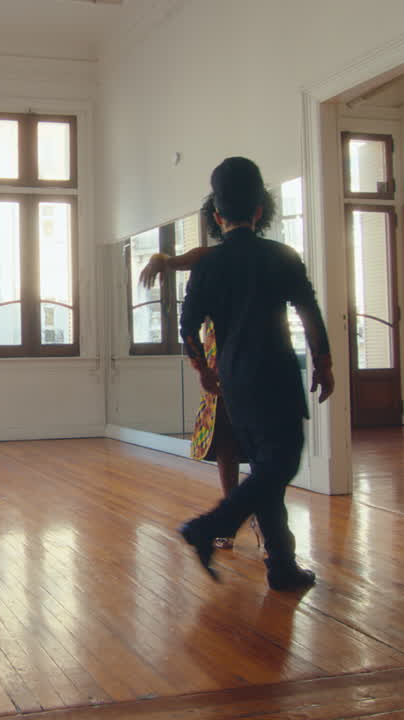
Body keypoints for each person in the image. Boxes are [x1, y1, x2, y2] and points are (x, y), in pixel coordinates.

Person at [176, 157, 335, 591]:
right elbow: (309, 315)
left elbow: (187, 327)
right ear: (261, 210)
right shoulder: (281, 256)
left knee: (267, 469)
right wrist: (323, 362)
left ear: (216, 214)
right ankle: (208, 526)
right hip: (277, 375)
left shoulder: (208, 264)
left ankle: (282, 563)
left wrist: (204, 369)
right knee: (280, 462)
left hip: (235, 382)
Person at [138, 191, 276, 550]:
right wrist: (162, 259)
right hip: (228, 365)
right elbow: (186, 259)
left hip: (249, 363)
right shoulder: (218, 257)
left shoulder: (264, 257)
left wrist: (163, 261)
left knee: (252, 445)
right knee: (229, 442)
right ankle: (235, 519)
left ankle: (261, 519)